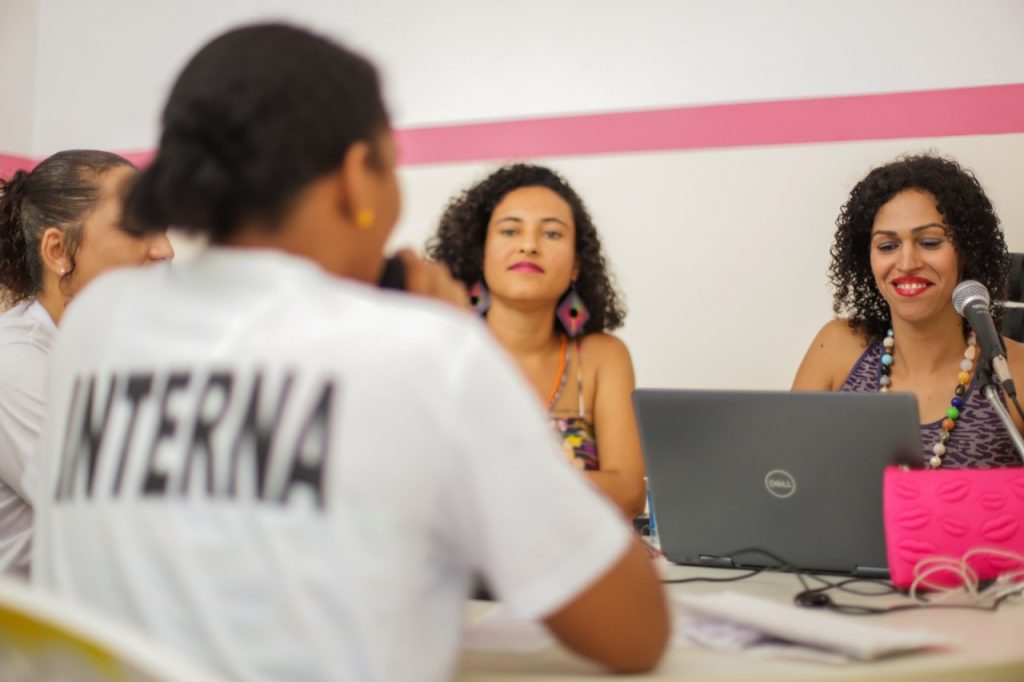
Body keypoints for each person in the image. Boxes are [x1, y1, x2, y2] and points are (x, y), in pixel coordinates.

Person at [29, 24, 668, 682]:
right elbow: (635, 632)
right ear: (359, 178)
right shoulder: (428, 349)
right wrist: (458, 341)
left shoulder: (95, 324)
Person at [428, 164, 646, 517]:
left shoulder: (603, 357)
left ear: (576, 266)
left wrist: (496, 479)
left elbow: (629, 493)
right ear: (480, 253)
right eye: (510, 231)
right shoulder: (440, 351)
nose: (529, 246)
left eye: (552, 234)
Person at [0, 150, 173, 574]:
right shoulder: (13, 363)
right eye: (138, 228)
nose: (165, 250)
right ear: (58, 250)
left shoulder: (120, 352)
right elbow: (118, 515)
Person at [793, 153, 1024, 468]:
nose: (906, 263)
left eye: (929, 242)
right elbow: (786, 473)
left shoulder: (1013, 373)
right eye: (888, 246)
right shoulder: (836, 348)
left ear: (966, 251)